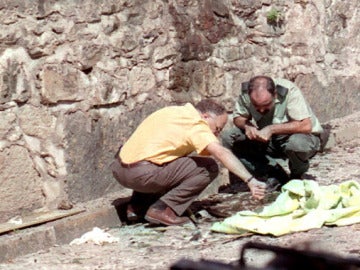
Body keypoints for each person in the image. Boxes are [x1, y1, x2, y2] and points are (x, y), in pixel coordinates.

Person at [110, 99, 266, 226]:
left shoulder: (172, 111)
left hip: (119, 169)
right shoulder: (196, 125)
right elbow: (221, 152)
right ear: (205, 117)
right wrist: (250, 180)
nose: (216, 134)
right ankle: (163, 210)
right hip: (142, 175)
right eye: (218, 128)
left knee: (167, 158)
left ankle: (136, 207)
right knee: (208, 167)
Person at [222, 75, 323, 187]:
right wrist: (248, 126)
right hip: (269, 140)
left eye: (266, 105)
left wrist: (271, 129)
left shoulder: (289, 90)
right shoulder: (247, 93)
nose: (261, 110)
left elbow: (305, 125)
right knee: (229, 138)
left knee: (296, 144)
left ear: (275, 94)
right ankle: (272, 173)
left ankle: (297, 174)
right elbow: (238, 118)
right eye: (256, 106)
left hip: (299, 137)